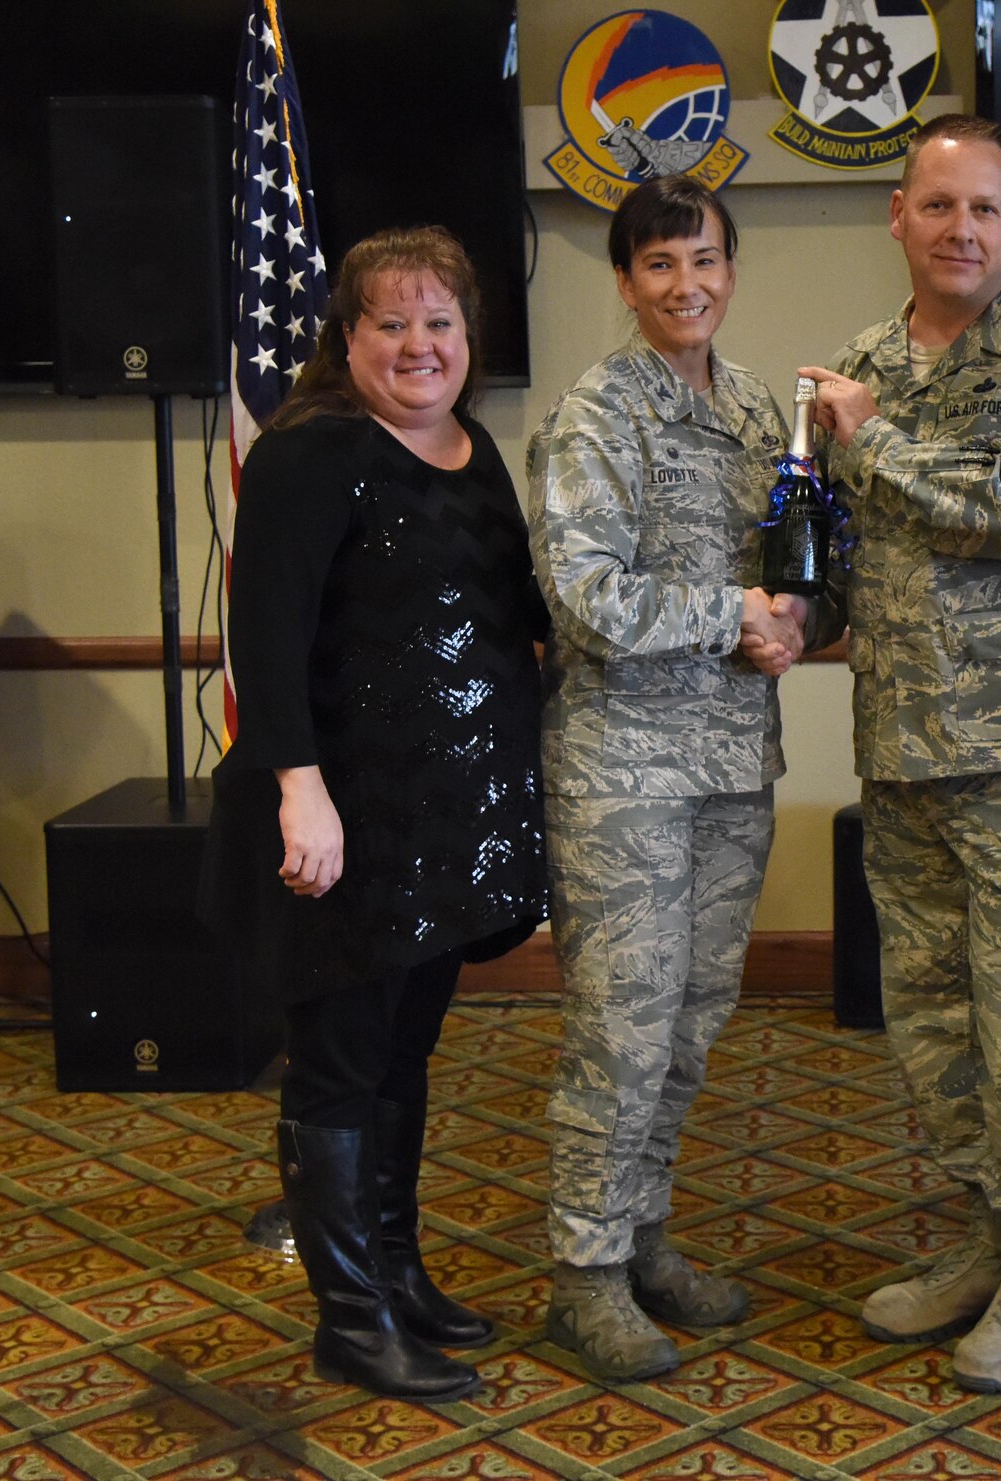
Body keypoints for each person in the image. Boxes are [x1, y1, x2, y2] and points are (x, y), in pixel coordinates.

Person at [801, 114, 1001, 1392]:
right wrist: (776, 610)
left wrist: (871, 439)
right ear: (897, 217)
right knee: (933, 1021)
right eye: (936, 207)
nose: (961, 231)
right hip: (898, 751)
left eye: (984, 209)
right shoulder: (857, 363)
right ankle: (991, 1238)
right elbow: (829, 552)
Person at [202, 227, 549, 1401]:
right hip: (343, 824)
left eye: (438, 322)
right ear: (345, 338)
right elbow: (267, 633)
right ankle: (348, 1316)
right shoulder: (317, 453)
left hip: (445, 829)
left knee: (405, 1055)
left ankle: (397, 1273)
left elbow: (518, 616)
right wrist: (299, 786)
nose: (417, 345)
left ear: (468, 337)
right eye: (389, 323)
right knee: (341, 1068)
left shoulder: (473, 450)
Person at [527, 175, 835, 1382]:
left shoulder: (762, 409)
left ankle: (644, 1236)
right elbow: (585, 596)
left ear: (730, 267)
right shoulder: (597, 414)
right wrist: (734, 613)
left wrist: (798, 613)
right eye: (657, 265)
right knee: (621, 1028)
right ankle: (583, 1275)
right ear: (623, 281)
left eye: (702, 259)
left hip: (728, 766)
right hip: (624, 774)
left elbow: (794, 562)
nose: (685, 283)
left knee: (692, 1027)